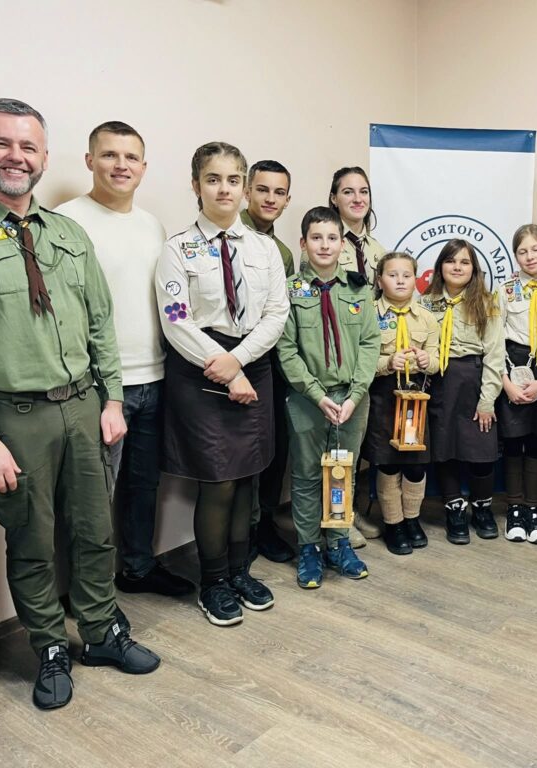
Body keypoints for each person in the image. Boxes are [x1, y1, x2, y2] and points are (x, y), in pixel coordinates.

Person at [0, 98, 160, 710]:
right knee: (31, 541)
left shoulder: (67, 233)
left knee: (95, 531)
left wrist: (112, 399)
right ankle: (50, 646)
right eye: (1, 144)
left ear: (45, 157)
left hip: (84, 405)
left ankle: (101, 632)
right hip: (14, 418)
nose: (16, 157)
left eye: (28, 147)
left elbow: (100, 323)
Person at [56, 121, 193, 598]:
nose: (121, 165)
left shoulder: (153, 225)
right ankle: (86, 592)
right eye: (110, 155)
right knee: (92, 497)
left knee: (143, 486)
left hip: (154, 378)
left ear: (144, 167)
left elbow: (169, 302)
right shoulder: (65, 221)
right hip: (98, 388)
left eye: (131, 157)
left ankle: (137, 570)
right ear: (90, 160)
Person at [155, 142, 288, 626]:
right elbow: (176, 320)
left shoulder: (264, 248)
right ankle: (212, 581)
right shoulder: (177, 249)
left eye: (233, 180)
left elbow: (276, 313)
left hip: (251, 362)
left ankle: (238, 571)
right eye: (213, 179)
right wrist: (224, 365)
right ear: (197, 185)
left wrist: (239, 361)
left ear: (244, 187)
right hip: (201, 370)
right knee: (218, 481)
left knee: (247, 476)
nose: (224, 189)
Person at [277, 206, 380, 589]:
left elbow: (370, 343)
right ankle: (308, 547)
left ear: (342, 245)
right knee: (306, 476)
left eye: (332, 238)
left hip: (352, 399)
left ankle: (338, 543)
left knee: (342, 472)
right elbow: (286, 350)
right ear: (303, 244)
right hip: (308, 399)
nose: (324, 245)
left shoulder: (358, 288)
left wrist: (355, 395)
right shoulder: (289, 291)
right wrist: (318, 396)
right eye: (316, 238)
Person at [420, 239, 503, 545]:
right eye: (451, 261)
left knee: (482, 451)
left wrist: (487, 400)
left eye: (464, 262)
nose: (457, 267)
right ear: (440, 266)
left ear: (474, 269)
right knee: (445, 448)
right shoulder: (425, 303)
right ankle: (454, 508)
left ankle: (482, 508)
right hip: (440, 380)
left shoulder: (486, 303)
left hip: (474, 380)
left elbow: (495, 354)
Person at [363, 252, 440, 555]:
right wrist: (386, 362)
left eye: (406, 276)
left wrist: (426, 360)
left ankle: (412, 519)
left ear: (415, 280)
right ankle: (393, 523)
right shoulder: (368, 314)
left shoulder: (426, 317)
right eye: (392, 275)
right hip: (383, 396)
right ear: (380, 279)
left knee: (416, 465)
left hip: (414, 399)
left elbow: (437, 360)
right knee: (388, 463)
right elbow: (360, 360)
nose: (400, 281)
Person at [240, 159, 297, 563]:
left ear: (288, 199)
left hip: (272, 364)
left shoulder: (283, 253)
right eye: (262, 189)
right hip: (232, 361)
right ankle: (238, 532)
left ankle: (263, 525)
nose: (270, 199)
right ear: (247, 191)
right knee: (239, 454)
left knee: (274, 449)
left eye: (279, 192)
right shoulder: (228, 236)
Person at [327, 166, 387, 545]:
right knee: (338, 446)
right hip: (337, 360)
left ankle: (350, 509)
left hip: (369, 360)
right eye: (347, 191)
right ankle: (338, 519)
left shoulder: (377, 250)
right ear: (334, 198)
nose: (357, 198)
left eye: (363, 191)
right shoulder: (327, 242)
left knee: (361, 444)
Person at [496, 224, 537, 544]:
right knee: (512, 441)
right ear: (515, 255)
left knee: (535, 442)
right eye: (522, 251)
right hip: (512, 365)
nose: (530, 256)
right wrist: (506, 383)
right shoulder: (505, 289)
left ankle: (533, 509)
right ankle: (514, 508)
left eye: (536, 249)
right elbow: (495, 337)